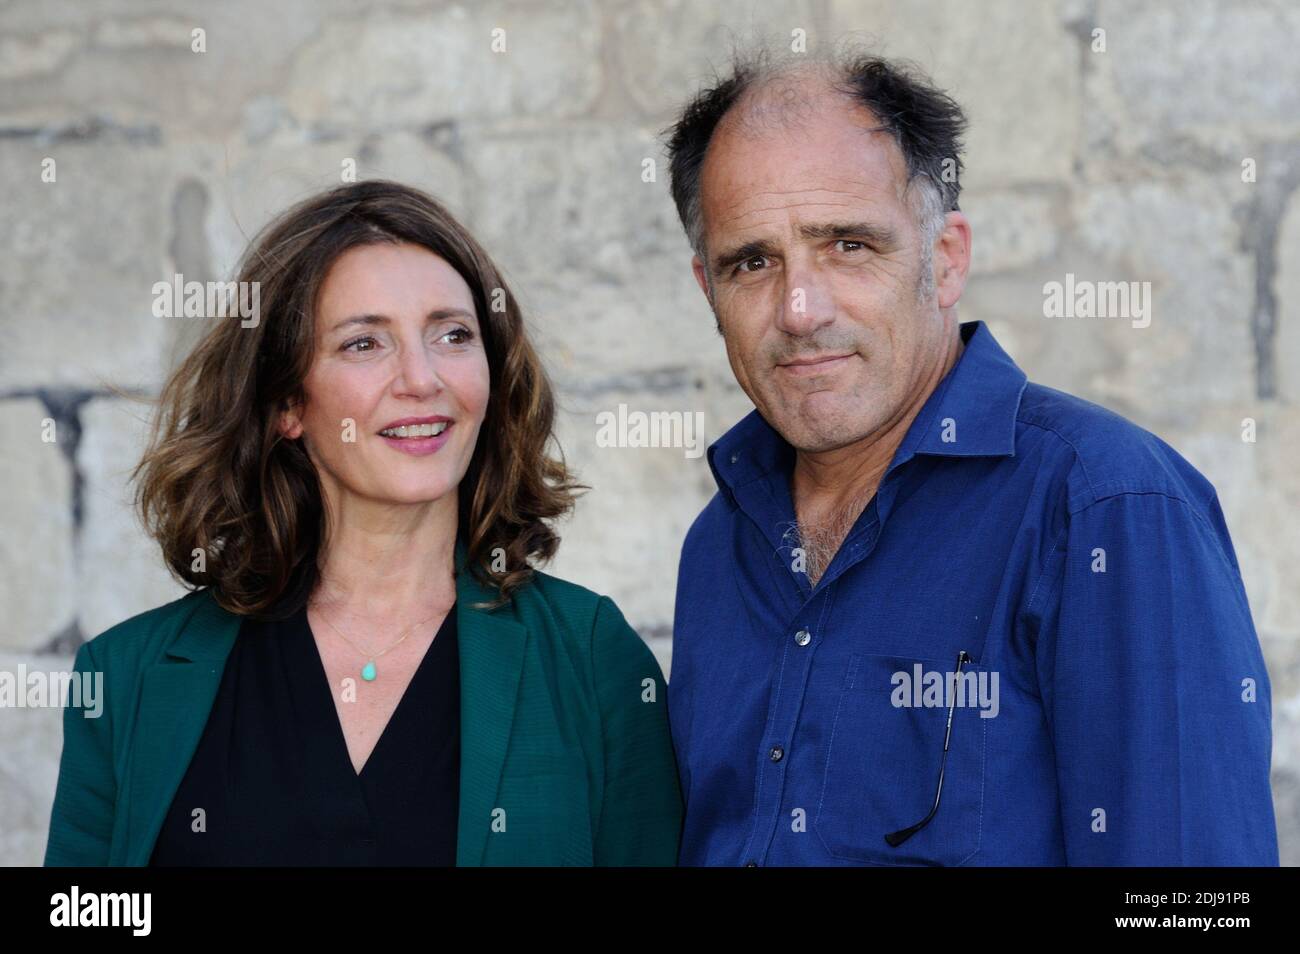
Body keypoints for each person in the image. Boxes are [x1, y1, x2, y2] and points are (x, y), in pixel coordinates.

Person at [662, 46, 1278, 865]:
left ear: (946, 258)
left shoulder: (1105, 506)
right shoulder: (719, 546)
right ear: (709, 290)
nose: (800, 309)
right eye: (753, 262)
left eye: (848, 245)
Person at [44, 180, 682, 866]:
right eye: (364, 344)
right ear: (287, 403)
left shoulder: (591, 658)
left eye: (453, 335)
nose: (422, 377)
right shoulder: (127, 678)